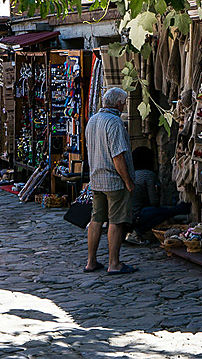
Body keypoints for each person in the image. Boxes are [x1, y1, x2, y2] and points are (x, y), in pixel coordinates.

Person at [84, 87, 137, 275]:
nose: (124, 106)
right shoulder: (114, 122)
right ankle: (114, 263)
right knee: (116, 221)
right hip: (114, 180)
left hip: (96, 179)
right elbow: (118, 157)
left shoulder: (92, 120)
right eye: (124, 103)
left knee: (96, 218)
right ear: (118, 104)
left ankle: (91, 261)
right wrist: (128, 181)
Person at [125, 146, 190, 244]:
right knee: (169, 211)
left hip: (127, 217)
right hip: (139, 216)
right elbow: (154, 201)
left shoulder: (131, 174)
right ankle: (137, 232)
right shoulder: (148, 175)